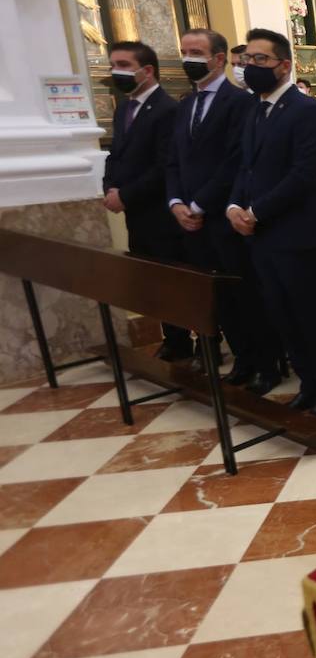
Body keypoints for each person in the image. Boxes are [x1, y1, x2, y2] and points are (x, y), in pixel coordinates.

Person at [226, 28, 316, 419]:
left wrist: (255, 212)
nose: (251, 66)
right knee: (279, 311)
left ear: (285, 66)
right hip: (260, 234)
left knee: (307, 311)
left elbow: (300, 174)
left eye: (261, 59)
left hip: (295, 232)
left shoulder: (305, 110)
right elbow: (246, 167)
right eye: (247, 59)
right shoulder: (255, 110)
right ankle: (307, 382)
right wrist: (233, 206)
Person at [166, 27, 282, 391]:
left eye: (196, 52)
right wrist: (176, 203)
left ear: (218, 59)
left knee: (245, 295)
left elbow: (235, 162)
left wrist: (200, 204)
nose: (188, 59)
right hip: (191, 221)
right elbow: (173, 160)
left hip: (224, 217)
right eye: (184, 51)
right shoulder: (185, 103)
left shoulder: (240, 102)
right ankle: (243, 359)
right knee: (218, 298)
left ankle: (267, 364)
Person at [104, 40, 192, 361]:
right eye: (114, 63)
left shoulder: (167, 109)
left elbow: (164, 165)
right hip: (136, 212)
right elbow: (116, 155)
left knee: (172, 278)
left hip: (161, 210)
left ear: (148, 70)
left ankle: (185, 338)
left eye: (124, 65)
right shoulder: (124, 108)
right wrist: (110, 187)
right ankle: (173, 336)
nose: (117, 71)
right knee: (153, 278)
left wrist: (125, 194)